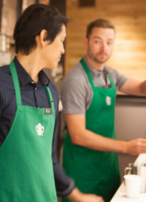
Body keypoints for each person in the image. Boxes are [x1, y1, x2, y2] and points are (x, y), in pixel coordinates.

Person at [0, 4, 103, 202]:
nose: (63, 50)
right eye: (61, 41)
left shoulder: (51, 91)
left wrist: (76, 195)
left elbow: (50, 158)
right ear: (43, 37)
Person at [61, 19, 146, 202]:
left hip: (107, 166)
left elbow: (140, 88)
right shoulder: (76, 80)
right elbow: (78, 135)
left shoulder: (110, 74)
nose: (104, 48)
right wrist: (126, 146)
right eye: (98, 41)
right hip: (83, 172)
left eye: (109, 42)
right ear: (86, 42)